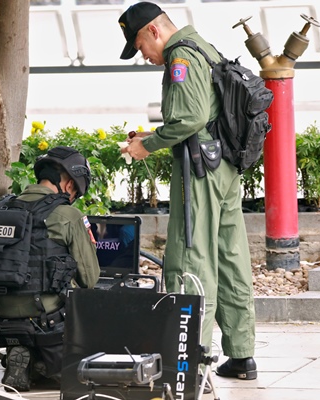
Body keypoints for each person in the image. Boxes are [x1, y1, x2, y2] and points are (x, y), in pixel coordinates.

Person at [117, 2, 257, 381]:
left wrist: (146, 146)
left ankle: (190, 357)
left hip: (200, 169)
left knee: (190, 255)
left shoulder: (181, 56)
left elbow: (191, 118)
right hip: (224, 164)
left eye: (140, 47)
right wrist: (152, 136)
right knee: (230, 255)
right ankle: (242, 356)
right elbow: (205, 114)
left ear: (153, 31)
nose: (144, 56)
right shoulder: (203, 45)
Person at [0, 146, 100, 392]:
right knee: (89, 299)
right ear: (69, 184)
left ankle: (21, 354)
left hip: (1, 315)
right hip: (48, 318)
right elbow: (89, 279)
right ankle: (45, 366)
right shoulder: (67, 214)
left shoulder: (1, 209)